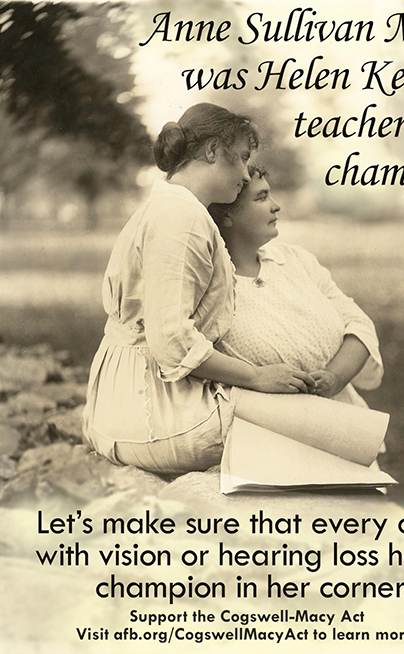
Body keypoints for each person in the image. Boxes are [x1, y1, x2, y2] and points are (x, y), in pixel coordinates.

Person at [82, 104, 316, 475]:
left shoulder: (171, 207)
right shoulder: (180, 217)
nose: (244, 173)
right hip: (151, 413)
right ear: (211, 151)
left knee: (317, 420)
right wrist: (256, 376)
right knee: (321, 429)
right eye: (239, 158)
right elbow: (171, 340)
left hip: (127, 399)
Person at [208, 165, 384, 410]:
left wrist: (334, 378)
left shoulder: (295, 260)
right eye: (261, 197)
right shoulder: (210, 286)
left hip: (344, 424)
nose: (276, 205)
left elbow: (358, 323)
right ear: (227, 215)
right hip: (265, 431)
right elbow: (191, 355)